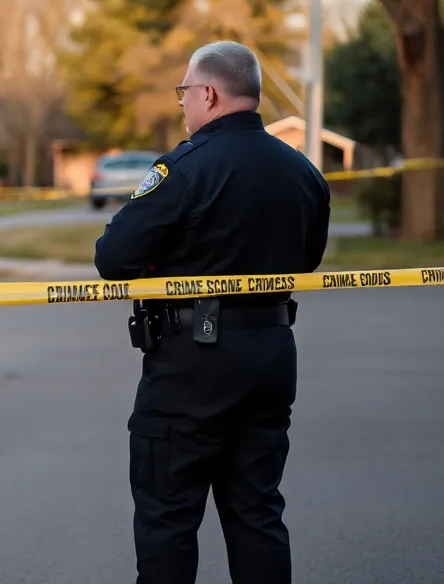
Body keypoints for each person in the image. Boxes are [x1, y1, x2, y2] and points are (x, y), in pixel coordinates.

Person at [94, 41, 331, 584]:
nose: (183, 105)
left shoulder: (183, 169)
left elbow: (112, 258)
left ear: (209, 93)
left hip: (190, 367)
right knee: (257, 512)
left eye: (184, 93)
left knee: (169, 518)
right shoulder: (303, 172)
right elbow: (307, 260)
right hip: (271, 357)